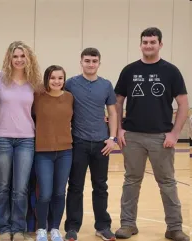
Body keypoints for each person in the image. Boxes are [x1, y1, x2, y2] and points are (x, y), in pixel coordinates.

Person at [114, 27, 189, 241]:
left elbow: (183, 104)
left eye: (153, 42)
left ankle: (174, 228)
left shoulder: (171, 71)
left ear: (160, 44)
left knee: (167, 183)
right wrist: (119, 128)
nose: (148, 45)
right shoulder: (129, 70)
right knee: (131, 181)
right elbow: (118, 101)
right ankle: (128, 225)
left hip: (161, 137)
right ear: (141, 44)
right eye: (145, 42)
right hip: (133, 136)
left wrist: (175, 133)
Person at [64, 48, 117, 241]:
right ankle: (72, 227)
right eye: (87, 61)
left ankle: (103, 226)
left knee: (100, 186)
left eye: (94, 61)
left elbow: (112, 113)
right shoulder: (71, 84)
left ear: (99, 63)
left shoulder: (106, 85)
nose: (91, 64)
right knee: (75, 186)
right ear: (81, 62)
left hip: (102, 144)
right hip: (78, 142)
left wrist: (112, 138)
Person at [0, 41, 42, 241]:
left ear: (28, 58)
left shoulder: (35, 82)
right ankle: (3, 227)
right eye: (15, 56)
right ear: (9, 58)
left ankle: (18, 229)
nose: (19, 60)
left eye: (23, 56)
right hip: (2, 137)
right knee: (3, 185)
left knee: (20, 187)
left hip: (26, 140)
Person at [33, 65, 73, 241]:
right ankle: (41, 228)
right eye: (52, 78)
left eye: (60, 78)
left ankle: (55, 228)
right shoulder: (38, 97)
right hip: (43, 152)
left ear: (64, 80)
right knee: (45, 193)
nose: (56, 81)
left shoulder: (70, 98)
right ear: (46, 79)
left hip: (65, 152)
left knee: (59, 192)